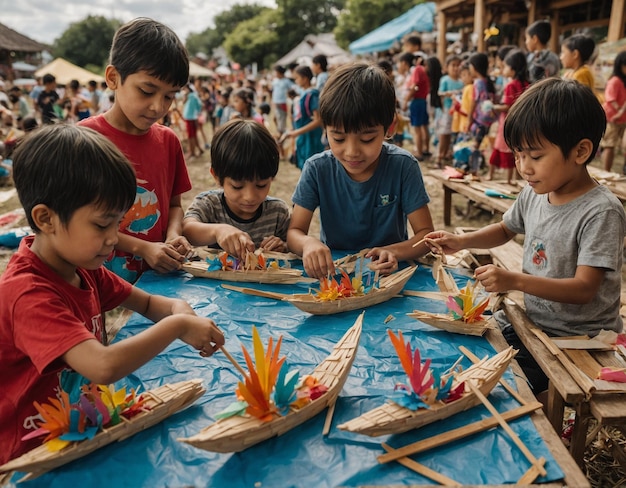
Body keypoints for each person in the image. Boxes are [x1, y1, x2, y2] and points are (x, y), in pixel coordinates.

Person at [0, 124, 224, 465]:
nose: (113, 238)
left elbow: (147, 302)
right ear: (45, 218)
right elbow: (102, 367)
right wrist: (177, 326)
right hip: (30, 454)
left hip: (78, 429)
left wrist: (180, 308)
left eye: (118, 224)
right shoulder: (26, 294)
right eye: (102, 225)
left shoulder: (82, 267)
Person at [424, 78, 626, 395]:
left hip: (579, 338)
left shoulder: (601, 212)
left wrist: (514, 281)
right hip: (535, 323)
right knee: (467, 346)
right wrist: (462, 241)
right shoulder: (535, 193)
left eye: (535, 156)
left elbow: (584, 289)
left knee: (505, 386)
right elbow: (506, 228)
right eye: (518, 155)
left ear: (581, 151)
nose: (523, 167)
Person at [288, 63, 434, 279]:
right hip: (336, 274)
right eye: (338, 138)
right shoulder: (317, 168)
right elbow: (294, 232)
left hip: (389, 274)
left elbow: (426, 235)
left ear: (390, 127)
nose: (352, 152)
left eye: (367, 139)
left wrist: (393, 251)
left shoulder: (403, 166)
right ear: (325, 128)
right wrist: (308, 244)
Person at [79, 18, 193, 284]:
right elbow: (80, 222)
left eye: (169, 96)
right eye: (146, 90)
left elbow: (175, 205)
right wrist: (143, 248)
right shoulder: (84, 141)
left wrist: (174, 234)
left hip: (157, 280)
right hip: (99, 283)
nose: (157, 107)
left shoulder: (168, 141)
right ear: (113, 78)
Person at [183, 119, 290, 256]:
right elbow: (187, 229)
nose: (249, 196)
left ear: (272, 177)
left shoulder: (277, 213)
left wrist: (283, 246)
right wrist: (217, 231)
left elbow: (291, 244)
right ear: (216, 177)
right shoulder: (210, 205)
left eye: (261, 185)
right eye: (237, 186)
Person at [488, 49, 529, 184]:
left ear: (513, 69)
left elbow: (507, 105)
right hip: (522, 122)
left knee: (504, 148)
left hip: (508, 121)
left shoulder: (510, 85)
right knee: (518, 149)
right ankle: (517, 179)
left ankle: (506, 179)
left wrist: (493, 107)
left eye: (505, 66)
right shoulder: (526, 84)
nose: (503, 69)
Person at [279, 65, 325, 169]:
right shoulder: (303, 94)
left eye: (297, 78)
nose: (296, 81)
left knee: (312, 166)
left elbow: (318, 120)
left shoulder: (312, 95)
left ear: (305, 78)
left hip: (311, 137)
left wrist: (296, 132)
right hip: (303, 136)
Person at [466, 52, 496, 176]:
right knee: (487, 145)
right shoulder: (489, 82)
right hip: (490, 119)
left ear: (474, 67)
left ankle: (474, 171)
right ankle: (486, 170)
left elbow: (473, 102)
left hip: (480, 120)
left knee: (475, 146)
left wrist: (469, 119)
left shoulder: (478, 83)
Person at [435, 55, 463, 167]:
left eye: (458, 65)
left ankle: (447, 154)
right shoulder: (445, 80)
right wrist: (449, 93)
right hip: (446, 110)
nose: (456, 68)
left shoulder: (461, 82)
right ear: (447, 67)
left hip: (457, 112)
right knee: (443, 134)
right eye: (453, 65)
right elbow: (440, 93)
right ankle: (439, 156)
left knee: (452, 134)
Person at [601, 51, 626, 173]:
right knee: (609, 145)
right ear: (620, 65)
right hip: (612, 117)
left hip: (621, 118)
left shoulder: (622, 81)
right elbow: (610, 98)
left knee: (617, 146)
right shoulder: (615, 80)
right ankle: (606, 171)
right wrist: (620, 112)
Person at [181, 83, 204, 158]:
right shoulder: (194, 95)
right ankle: (199, 150)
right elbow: (200, 105)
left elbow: (183, 102)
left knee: (191, 136)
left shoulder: (189, 96)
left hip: (190, 118)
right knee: (193, 135)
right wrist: (198, 113)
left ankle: (192, 152)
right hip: (193, 117)